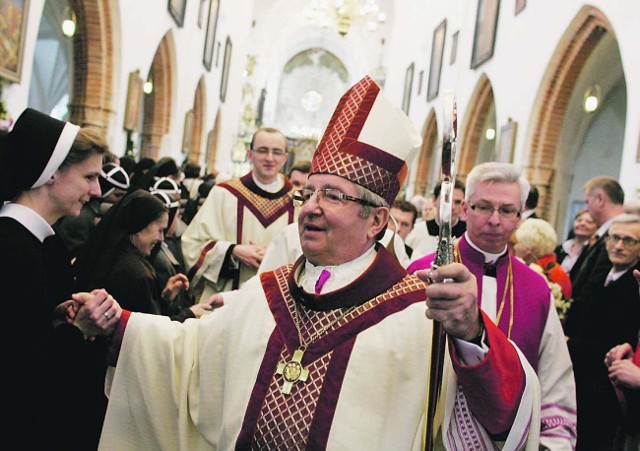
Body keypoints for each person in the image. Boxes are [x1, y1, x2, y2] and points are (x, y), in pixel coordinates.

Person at [76, 76, 542, 450]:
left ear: (378, 219)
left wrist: (472, 335)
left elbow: (502, 414)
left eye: (333, 195)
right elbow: (190, 352)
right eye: (309, 192)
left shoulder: (419, 314)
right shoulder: (269, 290)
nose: (311, 207)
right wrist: (120, 325)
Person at [408, 161, 577, 449]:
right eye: (484, 207)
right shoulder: (424, 272)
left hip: (510, 438)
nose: (495, 220)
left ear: (519, 217)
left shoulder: (536, 289)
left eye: (507, 210)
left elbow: (554, 375)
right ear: (464, 210)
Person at [0, 107, 120, 450]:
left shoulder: (37, 242)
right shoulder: (13, 249)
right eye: (89, 177)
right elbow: (22, 370)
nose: (97, 191)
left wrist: (56, 316)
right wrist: (79, 330)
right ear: (52, 173)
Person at [181, 126, 296, 301]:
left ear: (285, 158)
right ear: (250, 155)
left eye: (277, 152)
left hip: (276, 301)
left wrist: (276, 257)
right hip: (224, 298)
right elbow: (192, 244)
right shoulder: (223, 194)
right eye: (263, 151)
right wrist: (232, 251)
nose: (270, 158)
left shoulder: (300, 202)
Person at [75, 189, 218, 319]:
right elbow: (150, 333)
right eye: (160, 230)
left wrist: (164, 298)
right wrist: (190, 314)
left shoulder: (116, 255)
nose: (162, 238)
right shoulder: (137, 273)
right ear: (140, 225)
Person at [564, 214, 640, 450]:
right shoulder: (600, 276)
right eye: (615, 238)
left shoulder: (634, 286)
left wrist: (568, 343)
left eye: (629, 241)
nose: (619, 246)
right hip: (579, 382)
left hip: (604, 391)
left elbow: (617, 340)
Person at [54, 161, 130, 259]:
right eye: (117, 195)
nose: (121, 201)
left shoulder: (97, 213)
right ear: (105, 191)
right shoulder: (81, 216)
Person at [572, 175, 626, 302]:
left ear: (600, 199)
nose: (586, 208)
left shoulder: (618, 235)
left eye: (587, 201)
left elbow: (595, 285)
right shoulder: (603, 233)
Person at [405, 178, 466, 261]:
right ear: (434, 200)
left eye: (457, 202)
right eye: (447, 200)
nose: (452, 207)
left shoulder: (468, 235)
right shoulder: (416, 231)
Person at [513, 217, 572, 300]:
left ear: (528, 248)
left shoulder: (543, 273)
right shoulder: (558, 271)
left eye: (518, 243)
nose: (515, 247)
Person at [554, 209, 597, 281]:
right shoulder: (561, 248)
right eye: (579, 220)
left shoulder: (594, 252)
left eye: (589, 222)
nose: (582, 224)